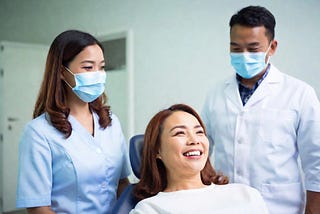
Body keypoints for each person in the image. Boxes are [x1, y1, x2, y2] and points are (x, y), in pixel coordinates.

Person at [202, 5, 320, 214]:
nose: (243, 55)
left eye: (253, 48)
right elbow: (203, 149)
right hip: (225, 205)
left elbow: (316, 161)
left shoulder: (300, 93)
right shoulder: (216, 93)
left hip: (279, 207)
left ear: (272, 47)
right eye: (236, 48)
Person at [16, 30, 131, 213]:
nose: (98, 74)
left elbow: (122, 183)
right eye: (88, 67)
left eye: (101, 67)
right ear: (62, 71)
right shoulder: (39, 132)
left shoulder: (111, 123)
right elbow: (38, 208)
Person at [130, 104, 269, 213]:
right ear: (157, 150)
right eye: (180, 133)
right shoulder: (150, 209)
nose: (194, 140)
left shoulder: (246, 195)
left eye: (199, 132)